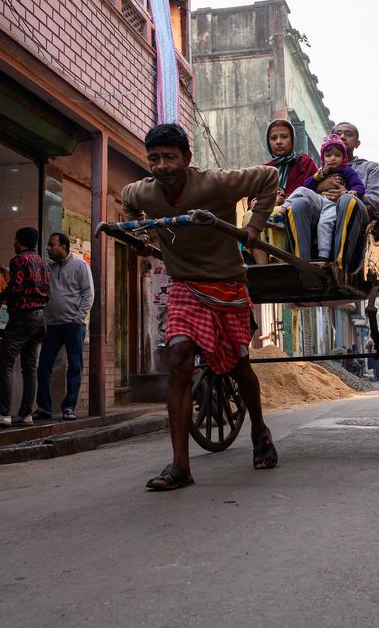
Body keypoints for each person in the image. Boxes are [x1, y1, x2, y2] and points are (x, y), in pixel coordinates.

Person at [121, 123, 278, 490]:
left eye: (170, 158)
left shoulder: (216, 183)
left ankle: (259, 429)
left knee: (239, 368)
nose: (161, 166)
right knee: (177, 361)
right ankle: (180, 466)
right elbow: (127, 201)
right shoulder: (144, 191)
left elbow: (269, 178)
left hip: (226, 286)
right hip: (185, 286)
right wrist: (140, 232)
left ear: (187, 159)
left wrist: (255, 225)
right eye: (155, 159)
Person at [287, 121, 379, 270]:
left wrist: (346, 194)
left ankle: (339, 266)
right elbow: (310, 191)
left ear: (357, 143)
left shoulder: (370, 167)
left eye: (348, 134)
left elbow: (375, 199)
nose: (343, 136)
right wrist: (320, 186)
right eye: (338, 133)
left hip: (358, 217)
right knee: (299, 203)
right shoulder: (323, 169)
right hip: (322, 211)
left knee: (347, 200)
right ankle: (303, 266)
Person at [0, 227, 50, 427]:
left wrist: (0, 295)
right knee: (30, 368)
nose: (13, 243)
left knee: (5, 362)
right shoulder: (42, 263)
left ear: (19, 241)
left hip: (21, 318)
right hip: (40, 318)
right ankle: (25, 414)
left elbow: (16, 288)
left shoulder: (18, 261)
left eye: (15, 240)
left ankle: (4, 413)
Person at [34, 232, 93, 421]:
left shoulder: (80, 266)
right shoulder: (48, 268)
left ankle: (68, 407)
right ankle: (44, 408)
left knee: (74, 366)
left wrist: (78, 318)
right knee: (44, 365)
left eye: (52, 245)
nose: (48, 248)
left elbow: (88, 293)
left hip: (74, 326)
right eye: (48, 245)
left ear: (64, 246)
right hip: (52, 325)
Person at [279, 134, 364, 262]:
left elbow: (359, 186)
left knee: (324, 224)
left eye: (337, 155)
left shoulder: (347, 171)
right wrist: (320, 175)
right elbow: (307, 185)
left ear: (344, 158)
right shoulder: (321, 172)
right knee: (301, 190)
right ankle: (283, 209)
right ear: (323, 158)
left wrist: (349, 192)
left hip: (333, 203)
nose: (332, 159)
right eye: (328, 156)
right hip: (319, 201)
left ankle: (323, 256)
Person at [246, 119, 317, 264]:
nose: (278, 141)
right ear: (268, 142)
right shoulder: (264, 169)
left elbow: (309, 190)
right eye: (273, 138)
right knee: (250, 215)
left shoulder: (304, 161)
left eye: (284, 137)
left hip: (293, 211)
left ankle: (278, 261)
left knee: (274, 212)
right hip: (267, 208)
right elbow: (252, 197)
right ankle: (262, 266)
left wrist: (283, 199)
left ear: (292, 139)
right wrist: (255, 202)